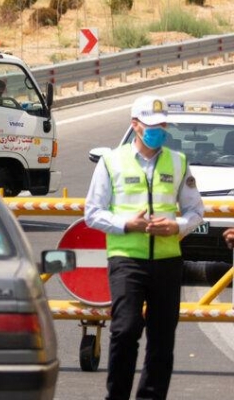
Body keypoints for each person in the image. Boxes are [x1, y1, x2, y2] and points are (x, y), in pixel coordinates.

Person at [84, 94, 204, 400]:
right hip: (127, 259)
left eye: (162, 125)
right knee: (125, 330)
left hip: (167, 260)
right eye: (151, 125)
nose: (158, 131)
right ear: (135, 125)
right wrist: (127, 224)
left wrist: (176, 226)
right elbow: (92, 213)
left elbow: (195, 212)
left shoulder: (178, 162)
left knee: (162, 339)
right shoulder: (112, 162)